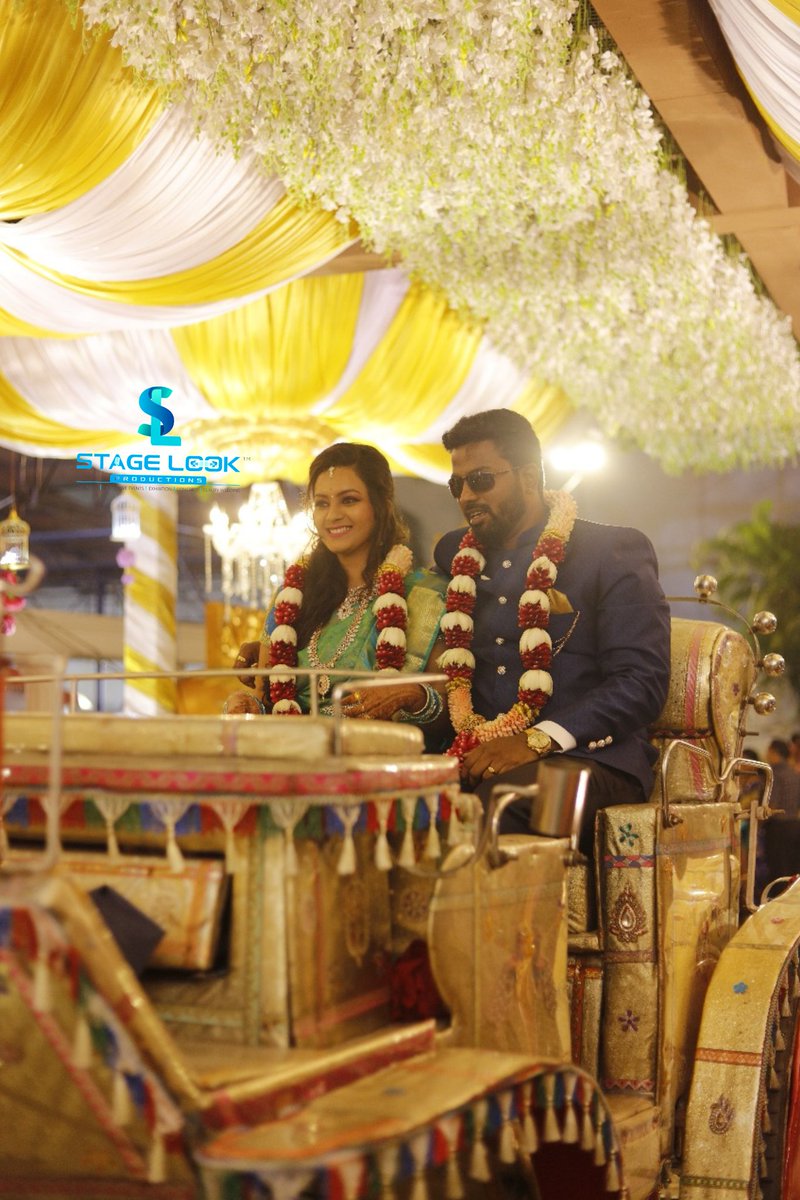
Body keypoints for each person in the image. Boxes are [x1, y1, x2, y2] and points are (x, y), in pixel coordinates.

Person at [433, 408, 672, 853]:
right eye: (457, 484)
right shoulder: (454, 555)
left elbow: (642, 682)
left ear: (528, 476)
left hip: (593, 763)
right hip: (478, 756)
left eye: (481, 480)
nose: (466, 496)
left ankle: (512, 925)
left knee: (502, 804)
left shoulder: (611, 551)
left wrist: (536, 739)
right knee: (397, 801)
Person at [226, 443, 447, 735]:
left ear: (382, 505)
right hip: (298, 759)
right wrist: (250, 707)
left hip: (382, 765)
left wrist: (414, 697)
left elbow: (450, 711)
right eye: (321, 503)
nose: (332, 515)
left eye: (349, 500)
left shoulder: (426, 595)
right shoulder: (293, 597)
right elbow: (269, 699)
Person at [762, 738, 800, 885]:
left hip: (778, 828)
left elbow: (771, 805)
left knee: (777, 870)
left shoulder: (774, 774)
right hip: (794, 825)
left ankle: (776, 903)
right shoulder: (794, 774)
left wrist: (760, 822)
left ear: (774, 752)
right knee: (791, 869)